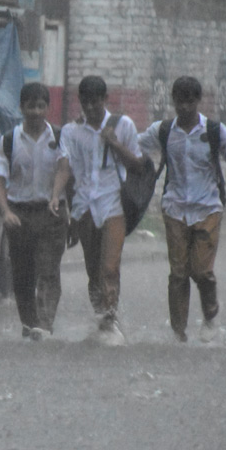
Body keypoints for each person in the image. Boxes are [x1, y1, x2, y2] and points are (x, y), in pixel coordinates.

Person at [138, 76, 226, 343]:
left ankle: (210, 313)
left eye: (189, 101)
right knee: (178, 272)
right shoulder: (164, 131)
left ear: (198, 101)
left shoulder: (214, 131)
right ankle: (178, 332)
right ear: (173, 101)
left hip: (207, 209)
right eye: (179, 102)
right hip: (175, 209)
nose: (184, 107)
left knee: (201, 270)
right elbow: (134, 147)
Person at [51, 76, 145, 344]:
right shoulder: (71, 131)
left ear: (106, 100)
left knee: (109, 267)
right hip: (84, 208)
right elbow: (64, 168)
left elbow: (137, 165)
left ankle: (110, 320)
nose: (90, 108)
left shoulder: (123, 125)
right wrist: (56, 197)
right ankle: (101, 318)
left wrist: (114, 144)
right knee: (93, 271)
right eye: (86, 103)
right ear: (80, 102)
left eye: (96, 102)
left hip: (114, 205)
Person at [0, 82, 70, 341]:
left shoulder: (58, 137)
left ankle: (44, 325)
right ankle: (29, 324)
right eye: (31, 106)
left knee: (48, 270)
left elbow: (63, 168)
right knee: (23, 275)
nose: (36, 111)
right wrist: (6, 212)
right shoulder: (9, 141)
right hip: (19, 215)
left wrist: (56, 196)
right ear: (21, 107)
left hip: (51, 213)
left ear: (48, 107)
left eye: (41, 106)